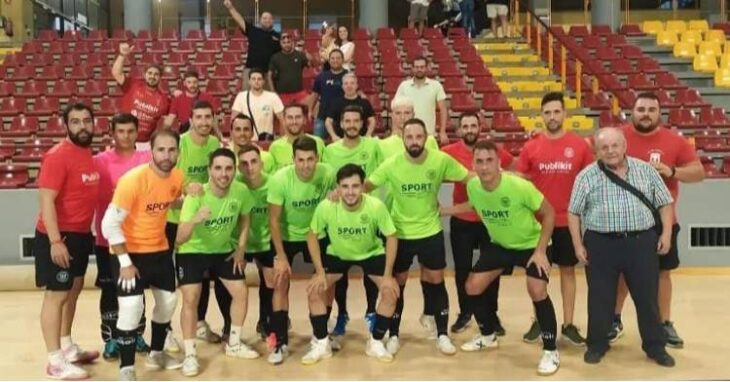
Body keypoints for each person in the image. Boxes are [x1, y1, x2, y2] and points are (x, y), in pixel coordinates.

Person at [440, 139, 560, 376]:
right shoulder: (474, 186)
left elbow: (549, 213)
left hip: (531, 245)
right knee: (472, 287)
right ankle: (487, 335)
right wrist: (445, 210)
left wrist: (540, 251)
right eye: (479, 162)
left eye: (489, 161)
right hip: (501, 246)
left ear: (499, 163)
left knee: (537, 290)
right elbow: (474, 205)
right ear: (473, 164)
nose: (484, 167)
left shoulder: (518, 186)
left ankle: (550, 350)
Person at [568, 127, 676, 367]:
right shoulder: (586, 176)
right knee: (600, 299)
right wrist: (578, 245)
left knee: (647, 298)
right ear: (597, 150)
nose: (610, 151)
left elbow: (665, 203)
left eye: (615, 145)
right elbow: (574, 212)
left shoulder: (645, 170)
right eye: (604, 147)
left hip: (641, 243)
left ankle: (655, 347)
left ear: (624, 146)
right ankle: (596, 344)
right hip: (600, 245)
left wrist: (666, 234)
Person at [365, 118, 470, 356]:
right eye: (409, 137)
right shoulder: (391, 164)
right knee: (397, 285)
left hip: (430, 232)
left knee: (436, 280)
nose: (414, 141)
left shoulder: (440, 160)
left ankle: (442, 334)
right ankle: (394, 335)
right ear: (402, 138)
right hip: (400, 233)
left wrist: (501, 177)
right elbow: (365, 186)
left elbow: (469, 178)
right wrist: (338, 192)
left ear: (426, 137)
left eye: (419, 137)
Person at [610, 92, 704, 347]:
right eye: (641, 109)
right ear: (632, 111)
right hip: (624, 219)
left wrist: (672, 171)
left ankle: (664, 324)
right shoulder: (617, 138)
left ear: (659, 113)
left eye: (652, 110)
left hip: (663, 221)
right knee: (621, 273)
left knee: (663, 274)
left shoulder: (675, 141)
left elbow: (699, 172)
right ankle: (613, 320)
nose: (646, 114)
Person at [100, 128, 185, 380]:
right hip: (129, 255)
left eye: (171, 150)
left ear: (178, 152)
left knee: (168, 303)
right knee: (132, 307)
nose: (166, 155)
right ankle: (126, 367)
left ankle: (156, 353)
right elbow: (108, 225)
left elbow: (170, 199)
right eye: (161, 149)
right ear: (151, 151)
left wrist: (188, 195)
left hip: (159, 251)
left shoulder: (177, 177)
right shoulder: (133, 180)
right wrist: (125, 262)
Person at [300, 164, 400, 364]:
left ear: (363, 186)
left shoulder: (375, 206)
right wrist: (319, 272)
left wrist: (388, 275)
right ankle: (321, 343)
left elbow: (392, 236)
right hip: (338, 254)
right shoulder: (327, 206)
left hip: (370, 253)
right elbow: (311, 236)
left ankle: (376, 341)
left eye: (355, 186)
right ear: (337, 187)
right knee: (314, 289)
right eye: (345, 186)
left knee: (391, 292)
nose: (350, 192)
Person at [516, 92, 594, 346]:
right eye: (547, 112)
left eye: (556, 111)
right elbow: (520, 181)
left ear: (564, 114)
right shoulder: (531, 147)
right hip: (538, 225)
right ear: (542, 116)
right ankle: (539, 320)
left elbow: (589, 182)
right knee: (538, 276)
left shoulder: (579, 146)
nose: (552, 116)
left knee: (568, 272)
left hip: (569, 223)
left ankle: (569, 324)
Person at [175, 148, 259, 377]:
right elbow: (180, 237)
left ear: (234, 171)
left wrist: (241, 249)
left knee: (241, 292)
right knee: (191, 298)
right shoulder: (196, 195)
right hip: (192, 251)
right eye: (218, 168)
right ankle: (191, 355)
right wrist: (194, 220)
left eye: (229, 168)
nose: (224, 173)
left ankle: (234, 343)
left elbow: (245, 219)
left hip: (222, 250)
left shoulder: (240, 191)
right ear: (210, 171)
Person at [35, 103, 100, 380]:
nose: (82, 126)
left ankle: (67, 346)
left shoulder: (87, 153)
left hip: (81, 236)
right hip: (58, 236)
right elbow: (46, 200)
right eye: (75, 122)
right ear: (66, 126)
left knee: (72, 291)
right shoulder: (57, 156)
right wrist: (55, 241)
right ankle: (54, 360)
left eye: (87, 121)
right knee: (56, 295)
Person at [441, 112, 514, 335]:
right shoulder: (448, 152)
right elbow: (431, 172)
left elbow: (512, 166)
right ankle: (465, 313)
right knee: (462, 270)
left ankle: (492, 315)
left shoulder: (492, 150)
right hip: (462, 221)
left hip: (490, 221)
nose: (470, 129)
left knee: (491, 270)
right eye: (466, 126)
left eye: (473, 125)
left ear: (479, 127)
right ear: (460, 129)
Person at [267, 136, 336, 364]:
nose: (306, 165)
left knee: (323, 283)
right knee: (279, 282)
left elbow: (341, 197)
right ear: (293, 159)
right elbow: (274, 221)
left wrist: (335, 197)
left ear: (317, 158)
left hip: (317, 234)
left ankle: (322, 336)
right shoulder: (279, 180)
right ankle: (279, 342)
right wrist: (280, 256)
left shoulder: (327, 173)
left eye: (310, 159)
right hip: (287, 235)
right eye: (301, 160)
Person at [165, 100, 224, 349]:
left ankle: (199, 323)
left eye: (207, 117)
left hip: (200, 220)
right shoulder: (180, 144)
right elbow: (165, 183)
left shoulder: (214, 144)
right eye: (198, 117)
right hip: (173, 219)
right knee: (167, 277)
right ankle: (165, 330)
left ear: (213, 120)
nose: (203, 122)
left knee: (202, 275)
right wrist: (184, 195)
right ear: (190, 119)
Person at [93, 113, 152, 360]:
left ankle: (137, 334)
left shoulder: (147, 159)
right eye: (121, 131)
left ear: (137, 133)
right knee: (109, 291)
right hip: (107, 241)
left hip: (139, 239)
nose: (126, 136)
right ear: (112, 133)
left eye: (130, 131)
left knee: (136, 290)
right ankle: (111, 339)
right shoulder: (98, 161)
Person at [322, 105, 383, 336]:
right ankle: (342, 314)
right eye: (347, 121)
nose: (351, 125)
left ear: (363, 123)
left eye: (356, 121)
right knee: (339, 273)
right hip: (340, 219)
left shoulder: (374, 145)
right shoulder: (330, 151)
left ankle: (371, 312)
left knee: (371, 270)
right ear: (340, 123)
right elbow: (329, 183)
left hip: (369, 218)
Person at [237, 144, 277, 340]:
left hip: (265, 241)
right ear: (238, 167)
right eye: (244, 163)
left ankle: (266, 321)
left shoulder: (273, 184)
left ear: (261, 163)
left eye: (254, 162)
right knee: (234, 284)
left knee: (270, 281)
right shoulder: (234, 184)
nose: (250, 167)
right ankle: (231, 329)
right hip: (240, 243)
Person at [112, 42, 171, 145]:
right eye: (150, 73)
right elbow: (116, 73)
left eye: (156, 74)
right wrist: (122, 55)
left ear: (160, 78)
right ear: (144, 74)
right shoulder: (133, 85)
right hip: (123, 138)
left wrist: (180, 95)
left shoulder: (164, 100)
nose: (152, 76)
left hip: (144, 144)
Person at [223, 0, 281, 89]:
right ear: (260, 20)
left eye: (269, 18)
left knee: (267, 100)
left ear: (273, 21)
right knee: (247, 97)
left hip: (268, 74)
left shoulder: (278, 36)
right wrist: (230, 8)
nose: (267, 20)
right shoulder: (253, 30)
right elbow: (239, 20)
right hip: (250, 70)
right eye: (264, 18)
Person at [395, 56, 449, 144]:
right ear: (412, 68)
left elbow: (443, 109)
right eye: (416, 67)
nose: (419, 69)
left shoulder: (436, 85)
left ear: (427, 68)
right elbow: (396, 110)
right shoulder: (404, 86)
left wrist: (442, 132)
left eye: (422, 67)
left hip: (429, 136)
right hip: (407, 135)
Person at [232, 69, 285, 141]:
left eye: (259, 79)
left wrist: (283, 139)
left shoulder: (272, 97)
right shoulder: (241, 96)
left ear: (263, 81)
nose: (256, 81)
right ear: (249, 81)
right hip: (247, 141)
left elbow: (282, 120)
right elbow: (233, 121)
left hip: (266, 141)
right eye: (253, 79)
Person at [269, 104, 326, 170]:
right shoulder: (275, 147)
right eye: (290, 118)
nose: (294, 122)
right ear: (284, 121)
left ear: (305, 120)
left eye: (298, 117)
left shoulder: (318, 142)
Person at [307, 49, 348, 139]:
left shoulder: (348, 76)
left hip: (342, 118)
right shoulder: (321, 76)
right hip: (322, 117)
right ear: (329, 61)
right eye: (332, 58)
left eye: (338, 58)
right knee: (318, 144)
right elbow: (314, 95)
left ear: (343, 60)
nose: (335, 60)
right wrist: (310, 110)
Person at [324, 73, 376, 140]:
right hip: (341, 141)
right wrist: (334, 136)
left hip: (361, 141)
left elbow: (372, 121)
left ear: (356, 86)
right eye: (346, 83)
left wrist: (368, 135)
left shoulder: (365, 102)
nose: (349, 86)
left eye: (352, 83)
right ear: (342, 86)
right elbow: (328, 121)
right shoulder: (336, 103)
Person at [168, 69, 220, 134]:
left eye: (194, 82)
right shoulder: (177, 99)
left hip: (205, 130)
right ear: (184, 83)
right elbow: (170, 118)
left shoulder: (207, 97)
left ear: (198, 82)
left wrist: (218, 134)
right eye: (189, 82)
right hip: (186, 131)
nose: (192, 85)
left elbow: (214, 118)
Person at [269, 31, 310, 105]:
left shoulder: (300, 55)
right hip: (282, 94)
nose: (286, 44)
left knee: (313, 104)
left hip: (299, 93)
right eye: (284, 42)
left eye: (288, 42)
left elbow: (312, 64)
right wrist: (273, 92)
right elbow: (269, 76)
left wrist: (309, 56)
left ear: (292, 43)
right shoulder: (275, 57)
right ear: (280, 44)